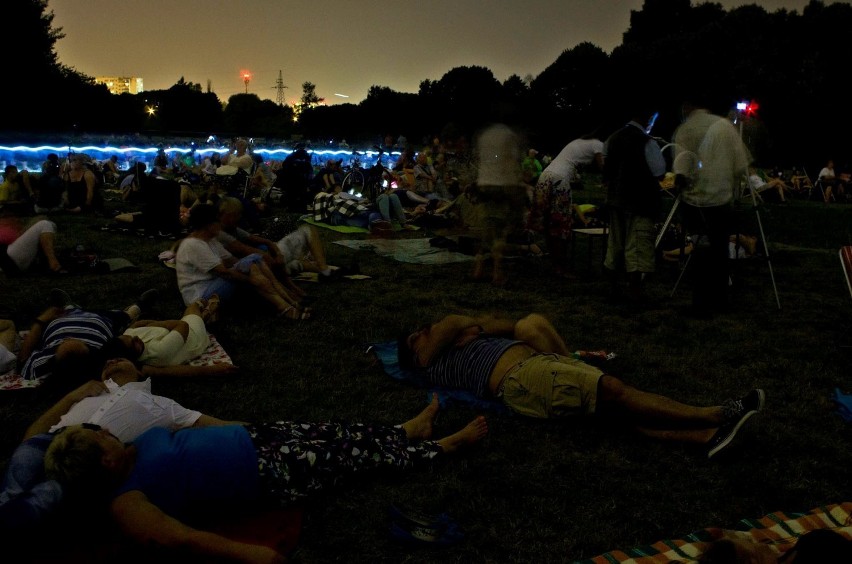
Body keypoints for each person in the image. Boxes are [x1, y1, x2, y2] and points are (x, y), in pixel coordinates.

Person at [42, 396, 488, 562]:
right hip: (268, 471)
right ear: (102, 464)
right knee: (354, 458)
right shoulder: (125, 502)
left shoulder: (133, 449)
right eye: (99, 439)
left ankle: (407, 430)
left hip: (258, 438)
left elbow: (193, 427)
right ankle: (442, 447)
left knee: (338, 431)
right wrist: (252, 554)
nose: (105, 432)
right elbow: (180, 539)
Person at [399, 312, 764, 458]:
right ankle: (718, 413)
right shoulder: (428, 359)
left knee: (616, 408)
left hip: (538, 368)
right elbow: (449, 322)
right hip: (524, 377)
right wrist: (461, 325)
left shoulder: (452, 342)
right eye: (418, 336)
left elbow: (507, 325)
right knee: (617, 391)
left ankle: (708, 437)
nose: (425, 332)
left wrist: (475, 330)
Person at [0, 357, 239, 532]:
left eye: (120, 358)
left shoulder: (161, 404)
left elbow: (221, 425)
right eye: (106, 362)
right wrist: (72, 397)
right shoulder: (89, 392)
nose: (111, 360)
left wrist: (270, 428)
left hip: (92, 454)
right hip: (51, 441)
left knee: (55, 490)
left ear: (139, 370)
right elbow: (30, 437)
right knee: (18, 478)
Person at [672, 97, 751, 317]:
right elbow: (740, 165)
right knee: (720, 251)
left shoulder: (686, 129)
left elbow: (682, 167)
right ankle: (720, 299)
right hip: (722, 202)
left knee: (701, 251)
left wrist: (682, 185)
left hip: (697, 202)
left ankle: (700, 303)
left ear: (688, 107)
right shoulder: (725, 127)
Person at [174, 204, 310, 320]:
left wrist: (255, 271)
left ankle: (287, 303)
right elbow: (225, 273)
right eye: (217, 222)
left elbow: (233, 261)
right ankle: (287, 303)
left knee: (254, 260)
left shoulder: (211, 241)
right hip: (200, 296)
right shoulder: (193, 245)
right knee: (252, 264)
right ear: (208, 225)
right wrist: (251, 279)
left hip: (214, 284)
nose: (220, 225)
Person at [18, 288, 159, 384]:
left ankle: (69, 306)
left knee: (68, 310)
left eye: (65, 344)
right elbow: (125, 347)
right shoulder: (102, 358)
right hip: (102, 323)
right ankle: (137, 307)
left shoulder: (39, 369)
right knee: (123, 317)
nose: (69, 339)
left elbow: (23, 358)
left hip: (62, 319)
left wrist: (41, 320)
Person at [602, 110, 667, 303]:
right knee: (637, 246)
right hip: (639, 200)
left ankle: (612, 288)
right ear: (645, 118)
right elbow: (659, 172)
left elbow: (607, 168)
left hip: (615, 198)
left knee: (615, 245)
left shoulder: (612, 139)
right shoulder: (647, 142)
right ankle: (635, 293)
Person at [526, 133, 605, 279]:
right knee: (560, 225)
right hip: (560, 179)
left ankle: (554, 265)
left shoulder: (577, 142)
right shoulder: (598, 144)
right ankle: (561, 268)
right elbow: (602, 167)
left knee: (547, 222)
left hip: (546, 176)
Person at [101, 297, 237, 378]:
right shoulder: (159, 351)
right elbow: (183, 326)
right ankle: (206, 308)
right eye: (134, 342)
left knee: (188, 318)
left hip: (172, 332)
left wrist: (163, 325)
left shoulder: (129, 339)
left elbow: (136, 325)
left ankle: (205, 316)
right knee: (193, 307)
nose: (135, 337)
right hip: (192, 337)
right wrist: (165, 325)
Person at [469, 124, 527, 287]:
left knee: (487, 229)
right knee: (499, 232)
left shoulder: (485, 133)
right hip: (500, 187)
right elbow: (510, 161)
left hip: (483, 185)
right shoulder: (508, 134)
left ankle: (478, 270)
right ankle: (497, 274)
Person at [0, 213, 66, 275]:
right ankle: (54, 264)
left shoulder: (13, 228)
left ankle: (49, 262)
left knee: (49, 224)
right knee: (44, 224)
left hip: (13, 257)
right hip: (8, 257)